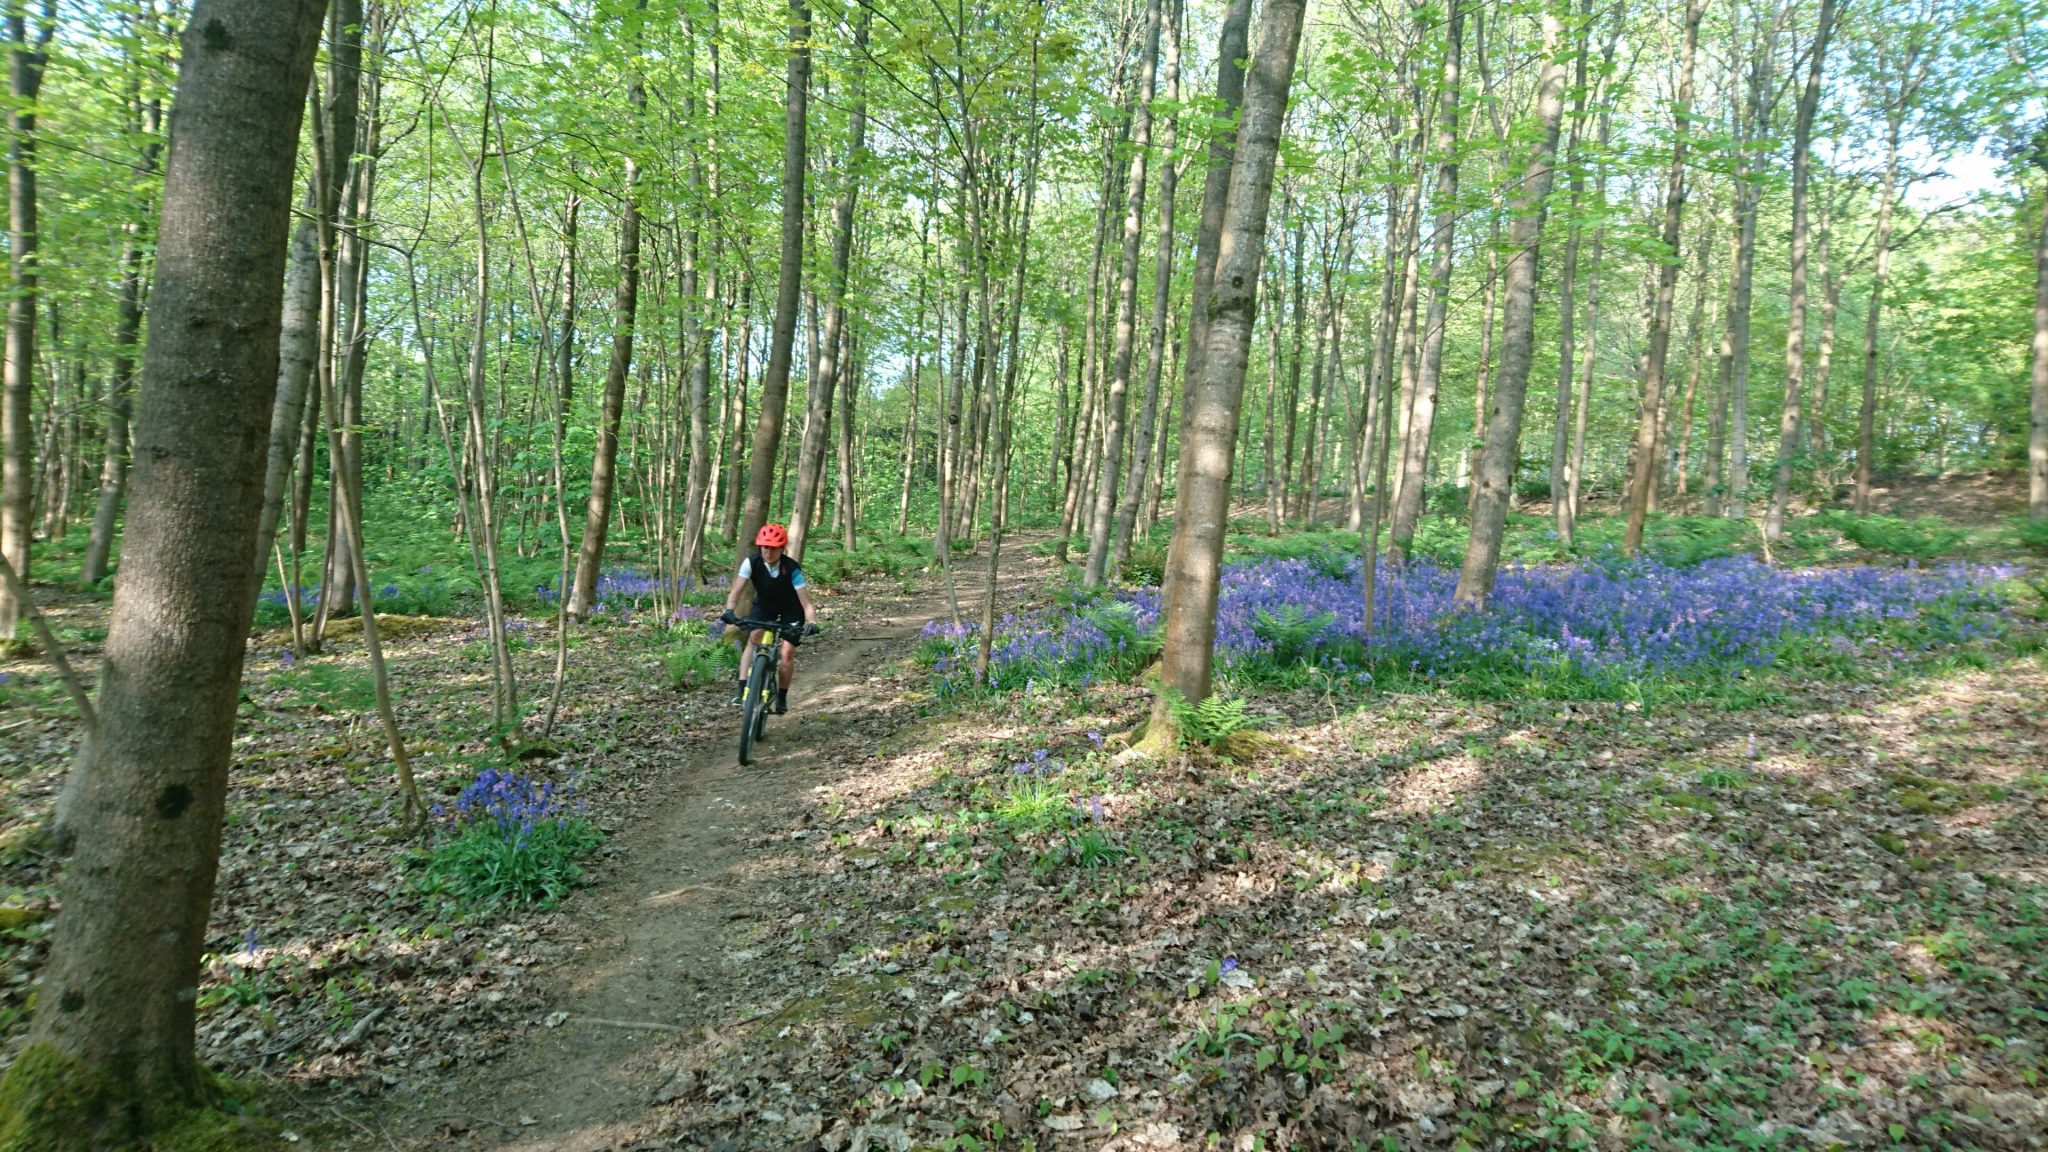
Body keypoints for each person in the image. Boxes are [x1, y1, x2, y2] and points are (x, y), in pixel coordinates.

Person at [720, 522, 818, 714]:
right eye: (765, 547)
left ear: (782, 549)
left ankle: (781, 696)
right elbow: (736, 591)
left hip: (791, 608)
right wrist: (729, 610)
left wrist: (812, 622)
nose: (769, 552)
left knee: (786, 652)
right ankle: (742, 689)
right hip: (765, 605)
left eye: (774, 548)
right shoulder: (751, 562)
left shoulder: (792, 568)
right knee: (754, 638)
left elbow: (806, 603)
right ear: (760, 546)